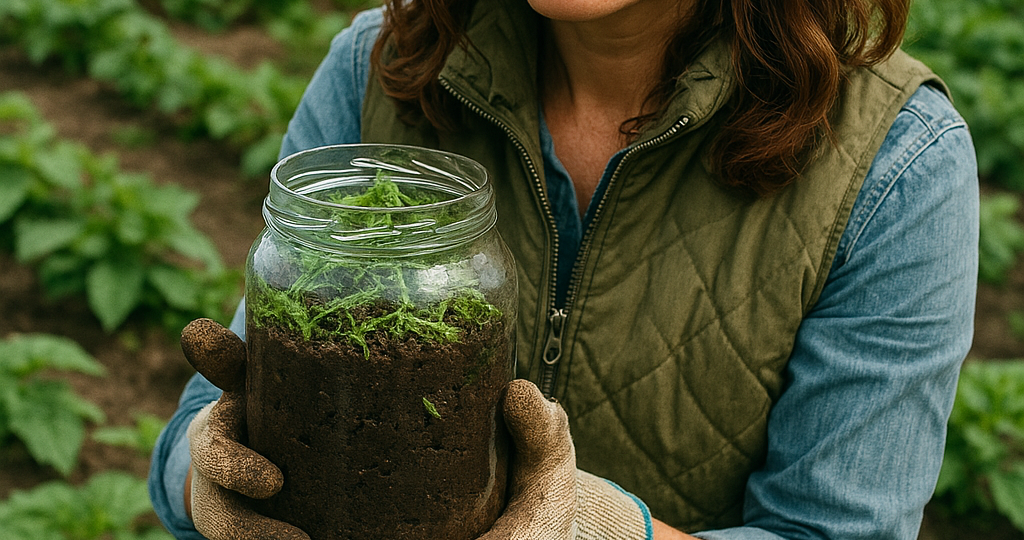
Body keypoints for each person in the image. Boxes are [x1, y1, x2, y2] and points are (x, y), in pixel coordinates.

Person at [148, 0, 980, 537]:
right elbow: (207, 420)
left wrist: (596, 528)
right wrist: (207, 482)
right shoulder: (384, 70)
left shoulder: (896, 164)